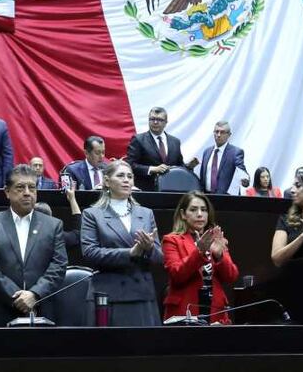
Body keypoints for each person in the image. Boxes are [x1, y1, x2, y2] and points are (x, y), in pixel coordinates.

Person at [0, 165, 67, 326]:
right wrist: (18, 297)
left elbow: (59, 265)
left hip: (41, 308)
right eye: (20, 187)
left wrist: (34, 294)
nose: (27, 193)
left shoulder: (53, 225)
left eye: (32, 187)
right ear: (7, 192)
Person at [81, 159, 164, 326]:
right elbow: (90, 254)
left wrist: (148, 249)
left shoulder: (146, 213)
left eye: (130, 176)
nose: (127, 180)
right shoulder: (92, 214)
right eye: (120, 176)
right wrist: (130, 253)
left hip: (141, 294)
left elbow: (159, 258)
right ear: (106, 181)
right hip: (108, 295)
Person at [162, 191, 239, 323]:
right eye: (193, 209)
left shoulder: (216, 239)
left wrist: (220, 256)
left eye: (203, 210)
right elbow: (177, 275)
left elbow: (231, 276)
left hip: (215, 311)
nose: (199, 214)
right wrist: (199, 252)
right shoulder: (171, 240)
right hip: (185, 311)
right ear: (183, 214)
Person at [126, 107, 191, 191]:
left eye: (159, 120)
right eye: (152, 119)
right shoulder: (138, 139)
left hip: (171, 189)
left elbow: (178, 165)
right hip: (146, 190)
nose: (155, 122)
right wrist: (152, 169)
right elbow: (130, 165)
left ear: (166, 122)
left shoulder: (175, 142)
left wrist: (188, 166)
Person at [197, 121, 248, 194]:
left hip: (226, 199)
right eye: (216, 131)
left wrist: (245, 179)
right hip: (207, 197)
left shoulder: (235, 152)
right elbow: (203, 177)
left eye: (222, 132)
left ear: (229, 135)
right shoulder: (207, 152)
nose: (218, 135)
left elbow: (241, 170)